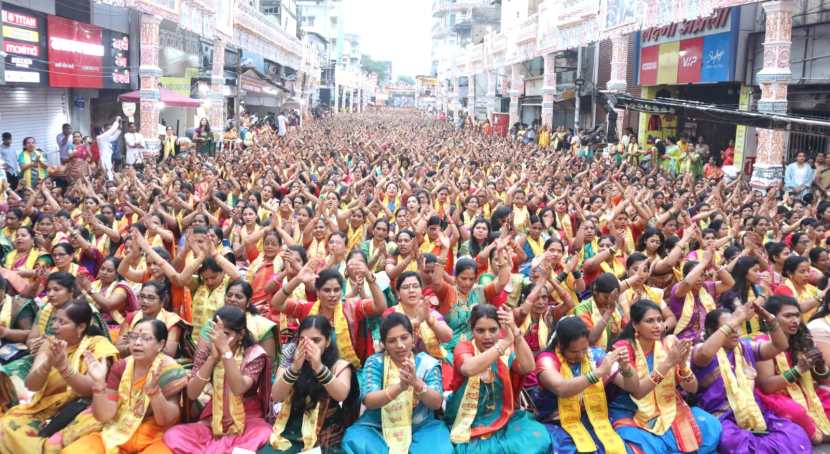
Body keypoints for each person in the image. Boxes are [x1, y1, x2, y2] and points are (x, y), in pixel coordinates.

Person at [690, 300, 812, 453]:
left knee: (795, 434)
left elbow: (780, 346)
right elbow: (705, 353)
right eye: (729, 328)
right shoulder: (701, 349)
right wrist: (736, 319)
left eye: (738, 327)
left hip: (752, 410)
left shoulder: (744, 347)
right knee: (733, 442)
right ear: (710, 330)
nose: (735, 331)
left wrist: (770, 319)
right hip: (721, 416)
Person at [0, 301, 119, 453]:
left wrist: (64, 368)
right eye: (55, 319)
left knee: (59, 445)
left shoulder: (98, 346)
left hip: (84, 409)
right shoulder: (51, 345)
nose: (54, 326)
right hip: (46, 407)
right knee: (6, 426)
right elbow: (32, 385)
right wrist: (46, 365)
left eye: (62, 322)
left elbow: (90, 389)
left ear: (81, 327)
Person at [610, 300, 722, 453]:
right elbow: (638, 391)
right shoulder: (623, 349)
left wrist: (682, 364)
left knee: (710, 427)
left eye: (660, 320)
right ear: (635, 325)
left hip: (668, 408)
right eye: (650, 321)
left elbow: (692, 388)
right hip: (632, 411)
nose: (657, 326)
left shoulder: (668, 345)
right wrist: (669, 362)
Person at [61, 319, 187, 454]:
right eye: (133, 337)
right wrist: (98, 385)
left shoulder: (170, 371)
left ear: (160, 344)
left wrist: (155, 394)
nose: (137, 342)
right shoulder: (121, 366)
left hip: (154, 436)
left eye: (145, 338)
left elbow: (167, 421)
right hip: (117, 429)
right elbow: (106, 415)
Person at [163, 306, 273, 452]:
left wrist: (226, 352)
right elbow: (192, 393)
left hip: (248, 416)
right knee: (174, 435)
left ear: (241, 334)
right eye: (216, 332)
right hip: (215, 415)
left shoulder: (253, 354)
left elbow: (238, 388)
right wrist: (212, 358)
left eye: (225, 334)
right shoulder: (208, 350)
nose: (219, 338)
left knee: (262, 433)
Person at [444, 304, 551, 454]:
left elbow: (528, 367)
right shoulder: (464, 348)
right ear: (472, 330)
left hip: (504, 417)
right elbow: (469, 368)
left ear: (500, 329)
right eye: (480, 330)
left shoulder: (506, 351)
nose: (487, 336)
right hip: (468, 421)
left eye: (493, 330)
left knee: (538, 439)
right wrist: (503, 343)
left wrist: (516, 334)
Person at [342, 312, 450, 454]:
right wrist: (400, 387)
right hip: (377, 425)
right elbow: (369, 401)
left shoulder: (427, 363)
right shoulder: (375, 362)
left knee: (440, 448)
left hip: (420, 426)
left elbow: (436, 403)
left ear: (413, 338)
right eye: (392, 341)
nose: (400, 345)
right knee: (354, 441)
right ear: (384, 344)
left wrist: (415, 382)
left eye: (404, 338)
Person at [534, 316, 636, 454]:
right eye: (574, 352)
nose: (581, 355)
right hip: (556, 421)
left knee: (619, 447)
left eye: (584, 349)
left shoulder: (594, 355)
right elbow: (562, 388)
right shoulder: (547, 360)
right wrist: (598, 373)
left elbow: (632, 387)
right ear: (560, 345)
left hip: (591, 417)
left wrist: (626, 367)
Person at [260, 315, 358, 453]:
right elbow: (276, 396)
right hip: (291, 431)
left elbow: (340, 395)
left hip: (324, 434)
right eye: (303, 340)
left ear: (328, 341)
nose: (309, 345)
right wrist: (294, 369)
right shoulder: (291, 362)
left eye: (316, 340)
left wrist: (319, 367)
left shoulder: (340, 366)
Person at [272, 262, 388, 368]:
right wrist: (298, 279)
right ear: (317, 292)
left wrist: (369, 278)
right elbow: (276, 303)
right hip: (311, 368)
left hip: (346, 369)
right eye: (327, 290)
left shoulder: (351, 307)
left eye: (337, 290)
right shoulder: (306, 309)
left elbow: (380, 307)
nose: (332, 295)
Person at [756, 295, 830, 444]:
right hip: (777, 397)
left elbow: (825, 380)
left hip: (806, 393)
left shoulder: (801, 340)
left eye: (797, 315)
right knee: (797, 412)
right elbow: (767, 386)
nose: (795, 320)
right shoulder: (762, 343)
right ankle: (815, 434)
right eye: (788, 316)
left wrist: (820, 365)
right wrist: (798, 370)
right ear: (770, 319)